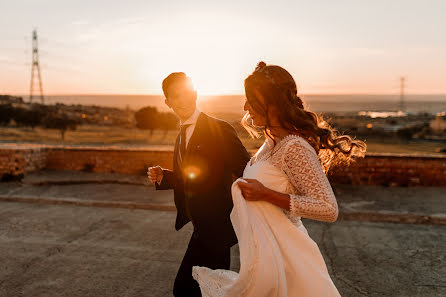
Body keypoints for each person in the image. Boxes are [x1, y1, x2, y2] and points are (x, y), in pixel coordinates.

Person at [192, 62, 366, 297]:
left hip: (289, 260)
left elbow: (328, 208)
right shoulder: (269, 144)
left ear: (271, 101)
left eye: (250, 99)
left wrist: (266, 194)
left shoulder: (294, 147)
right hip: (265, 258)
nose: (245, 106)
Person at [147, 72, 251, 297]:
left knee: (189, 289)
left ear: (195, 93)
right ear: (168, 102)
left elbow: (246, 169)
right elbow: (193, 177)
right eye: (176, 96)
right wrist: (165, 176)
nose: (183, 100)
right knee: (209, 290)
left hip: (217, 229)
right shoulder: (181, 133)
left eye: (186, 93)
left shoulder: (219, 129)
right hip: (201, 228)